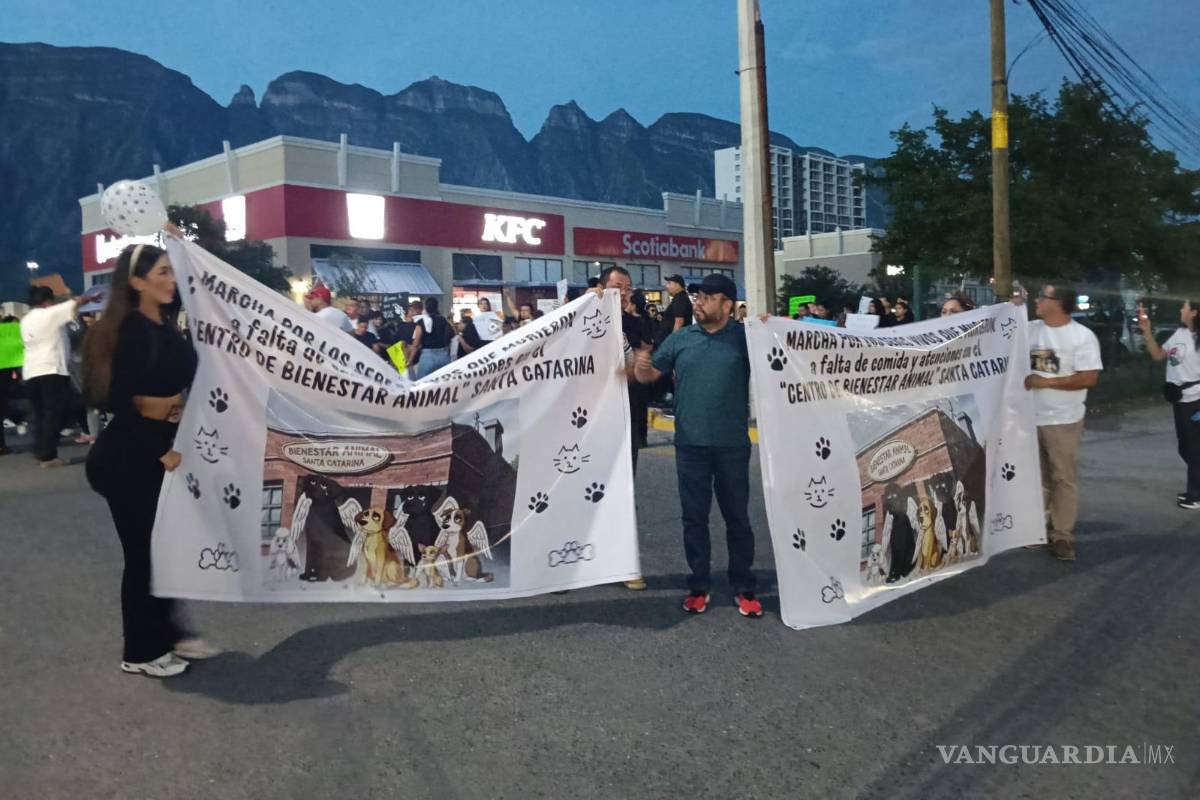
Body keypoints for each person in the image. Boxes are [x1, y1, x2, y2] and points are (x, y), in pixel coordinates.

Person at [81, 238, 215, 678]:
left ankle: (168, 634)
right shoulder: (130, 331)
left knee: (165, 548)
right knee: (144, 555)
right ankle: (140, 652)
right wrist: (163, 451)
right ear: (137, 282)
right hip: (128, 457)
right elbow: (118, 401)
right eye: (162, 273)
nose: (172, 280)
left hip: (158, 446)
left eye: (172, 271)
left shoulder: (165, 325)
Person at [633, 273, 761, 617]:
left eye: (707, 298)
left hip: (733, 445)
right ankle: (699, 585)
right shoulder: (681, 339)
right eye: (698, 297)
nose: (699, 303)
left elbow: (784, 358)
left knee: (738, 519)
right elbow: (649, 375)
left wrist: (769, 327)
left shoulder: (746, 339)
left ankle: (744, 586)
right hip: (690, 446)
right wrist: (641, 368)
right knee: (694, 519)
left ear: (727, 304)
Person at [1024, 284, 1103, 560]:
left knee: (1062, 478)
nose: (1037, 300)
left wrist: (1047, 382)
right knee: (1038, 477)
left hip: (1063, 420)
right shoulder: (1030, 329)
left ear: (1057, 303)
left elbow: (1089, 377)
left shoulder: (1082, 337)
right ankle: (1038, 528)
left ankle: (1062, 535)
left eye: (1042, 296)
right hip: (1029, 418)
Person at [594, 266, 648, 591]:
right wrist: (586, 302)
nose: (623, 292)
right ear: (601, 288)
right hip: (589, 422)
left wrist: (640, 366)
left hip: (627, 418)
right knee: (583, 488)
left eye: (627, 287)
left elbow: (644, 368)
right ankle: (571, 562)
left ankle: (625, 563)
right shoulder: (581, 318)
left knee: (624, 491)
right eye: (616, 286)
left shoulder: (636, 324)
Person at [20, 284, 102, 466]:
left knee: (40, 413)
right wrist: (91, 298)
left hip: (31, 372)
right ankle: (48, 455)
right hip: (51, 370)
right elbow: (75, 303)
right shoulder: (48, 314)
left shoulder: (26, 320)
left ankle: (40, 450)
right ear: (47, 301)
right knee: (55, 413)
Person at [1138, 297, 1200, 509]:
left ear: (1194, 312)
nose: (1181, 309)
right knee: (1185, 447)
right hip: (1179, 399)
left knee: (1195, 448)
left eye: (1184, 307)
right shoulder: (1179, 333)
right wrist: (1147, 332)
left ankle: (1195, 495)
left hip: (1196, 400)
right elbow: (1158, 355)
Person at [414, 297, 453, 379]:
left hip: (427, 356)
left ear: (425, 308)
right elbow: (451, 333)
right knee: (445, 383)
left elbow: (416, 343)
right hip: (443, 355)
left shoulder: (421, 322)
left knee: (422, 383)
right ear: (437, 307)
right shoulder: (443, 320)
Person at [658, 275, 693, 345]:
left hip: (676, 342)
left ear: (677, 285)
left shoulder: (680, 298)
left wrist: (672, 342)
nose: (666, 286)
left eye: (669, 283)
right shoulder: (679, 298)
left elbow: (679, 322)